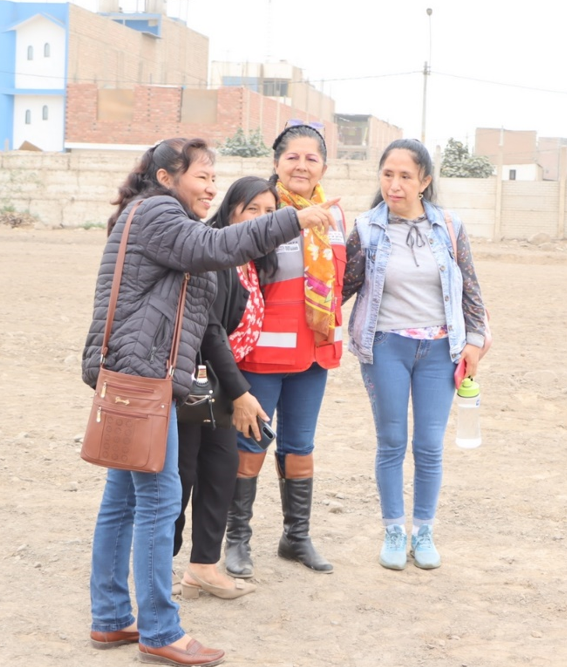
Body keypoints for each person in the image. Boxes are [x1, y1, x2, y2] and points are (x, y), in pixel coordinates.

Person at [82, 137, 337, 666]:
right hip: (145, 379)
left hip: (134, 376)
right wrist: (296, 219)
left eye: (213, 178)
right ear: (165, 178)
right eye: (201, 176)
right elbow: (221, 248)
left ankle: (111, 619)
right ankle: (158, 629)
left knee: (123, 500)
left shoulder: (155, 218)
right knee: (157, 500)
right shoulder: (158, 215)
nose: (210, 186)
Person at [342, 138, 487, 571]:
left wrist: (476, 340)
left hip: (441, 350)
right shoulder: (366, 229)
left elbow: (471, 287)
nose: (395, 184)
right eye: (388, 174)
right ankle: (393, 530)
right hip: (385, 346)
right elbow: (340, 288)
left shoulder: (450, 225)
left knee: (428, 445)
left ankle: (423, 531)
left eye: (406, 176)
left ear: (424, 181)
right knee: (391, 442)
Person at [225, 123, 346, 576]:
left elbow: (340, 280)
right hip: (263, 354)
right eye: (292, 157)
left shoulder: (334, 215)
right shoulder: (264, 211)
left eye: (311, 158)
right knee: (250, 442)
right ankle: (237, 539)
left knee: (300, 446)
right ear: (276, 164)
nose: (301, 165)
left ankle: (296, 537)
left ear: (324, 167)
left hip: (315, 352)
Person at [172, 177, 279, 601]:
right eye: (252, 209)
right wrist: (238, 392)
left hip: (219, 379)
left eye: (270, 212)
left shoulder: (252, 260)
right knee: (184, 473)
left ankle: (203, 567)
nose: (261, 219)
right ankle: (161, 566)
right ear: (231, 211)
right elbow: (209, 330)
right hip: (199, 380)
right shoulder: (217, 252)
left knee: (220, 467)